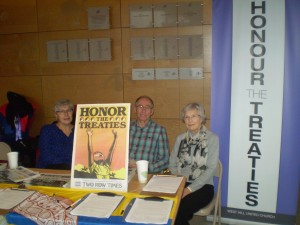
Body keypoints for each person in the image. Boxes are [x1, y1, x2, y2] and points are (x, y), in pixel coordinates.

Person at [168, 103, 219, 225]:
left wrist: (188, 189)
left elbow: (211, 168)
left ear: (201, 118)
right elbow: (172, 164)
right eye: (187, 117)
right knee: (165, 207)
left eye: (194, 116)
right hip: (180, 182)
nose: (190, 120)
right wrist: (179, 182)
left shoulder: (212, 138)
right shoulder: (180, 139)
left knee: (178, 211)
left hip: (203, 186)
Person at [129, 95, 169, 173]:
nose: (143, 110)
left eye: (147, 107)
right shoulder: (126, 128)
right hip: (123, 173)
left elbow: (165, 160)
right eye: (140, 106)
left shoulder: (159, 130)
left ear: (151, 111)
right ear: (135, 109)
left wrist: (145, 168)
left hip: (146, 175)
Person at [36, 99, 74, 169]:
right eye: (61, 111)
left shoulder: (79, 131)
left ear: (72, 112)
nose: (66, 114)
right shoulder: (47, 130)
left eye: (69, 110)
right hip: (50, 169)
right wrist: (73, 164)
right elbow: (46, 157)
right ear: (56, 115)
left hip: (73, 170)